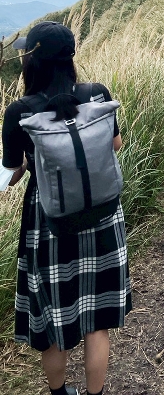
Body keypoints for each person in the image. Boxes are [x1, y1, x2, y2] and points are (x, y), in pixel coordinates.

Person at [2, 22, 130, 395]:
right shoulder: (97, 95)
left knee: (52, 320)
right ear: (70, 58)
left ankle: (60, 394)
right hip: (103, 217)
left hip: (49, 224)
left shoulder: (20, 111)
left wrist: (29, 162)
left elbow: (12, 173)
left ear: (33, 59)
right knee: (97, 321)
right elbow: (116, 145)